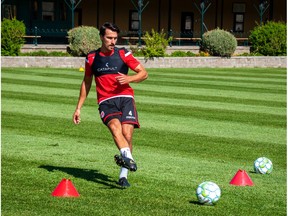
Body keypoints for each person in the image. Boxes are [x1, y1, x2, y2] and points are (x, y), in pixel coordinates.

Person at [72, 22, 148, 188]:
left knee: (127, 134)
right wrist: (78, 107)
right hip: (106, 101)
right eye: (109, 38)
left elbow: (143, 73)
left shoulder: (123, 54)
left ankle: (123, 175)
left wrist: (129, 79)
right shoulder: (91, 58)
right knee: (115, 127)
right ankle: (129, 159)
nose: (113, 41)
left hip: (126, 97)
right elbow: (86, 82)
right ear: (101, 37)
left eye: (115, 38)